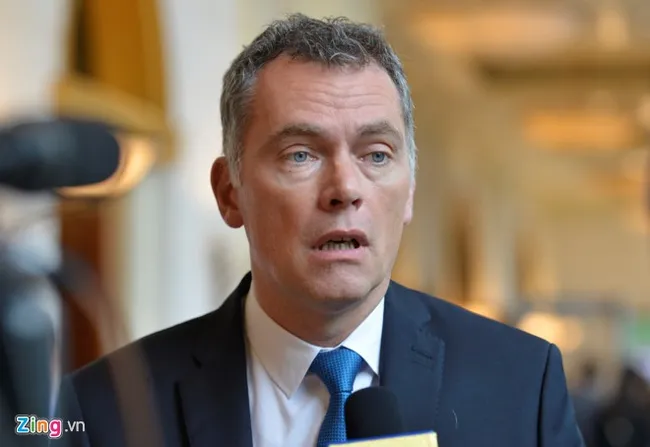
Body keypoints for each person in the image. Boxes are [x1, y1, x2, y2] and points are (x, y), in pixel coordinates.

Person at [52, 14, 584, 447]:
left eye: (377, 154)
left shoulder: (521, 384)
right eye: (301, 154)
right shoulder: (99, 408)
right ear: (230, 192)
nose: (344, 189)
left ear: (409, 193)